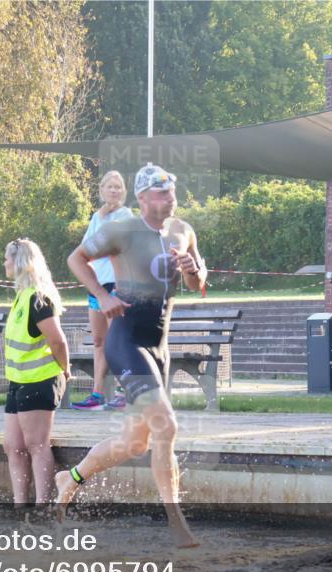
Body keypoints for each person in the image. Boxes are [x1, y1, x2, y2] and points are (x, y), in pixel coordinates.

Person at [57, 165, 207, 547]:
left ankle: (70, 478)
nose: (169, 197)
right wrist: (103, 296)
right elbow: (76, 259)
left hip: (159, 347)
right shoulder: (122, 230)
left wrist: (194, 270)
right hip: (125, 340)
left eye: (171, 189)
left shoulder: (182, 231)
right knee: (166, 425)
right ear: (141, 199)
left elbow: (197, 281)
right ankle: (176, 521)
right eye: (160, 192)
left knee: (134, 443)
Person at [2, 239, 71, 505]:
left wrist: (65, 370)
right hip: (18, 381)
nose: (4, 263)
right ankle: (21, 505)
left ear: (19, 261)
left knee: (36, 444)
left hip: (39, 380)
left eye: (7, 258)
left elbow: (58, 341)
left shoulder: (39, 299)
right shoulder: (21, 296)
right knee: (13, 446)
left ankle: (44, 504)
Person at [72, 171, 132, 411]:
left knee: (117, 341)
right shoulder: (97, 217)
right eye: (110, 187)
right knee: (99, 341)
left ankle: (124, 390)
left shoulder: (126, 216)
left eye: (118, 187)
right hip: (96, 286)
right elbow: (85, 250)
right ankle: (97, 393)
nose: (114, 190)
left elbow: (116, 247)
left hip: (116, 286)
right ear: (102, 190)